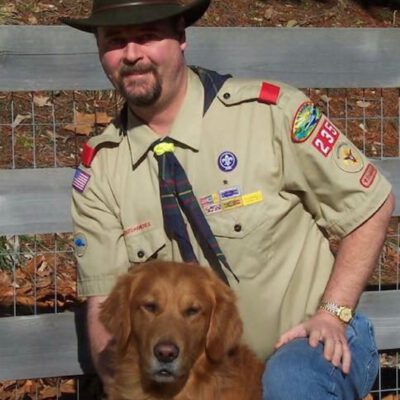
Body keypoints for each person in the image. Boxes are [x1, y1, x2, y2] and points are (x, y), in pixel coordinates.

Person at [62, 0, 395, 398]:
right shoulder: (102, 170)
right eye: (115, 41)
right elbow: (104, 306)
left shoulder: (267, 116)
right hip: (202, 377)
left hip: (312, 345)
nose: (131, 54)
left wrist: (333, 314)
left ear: (181, 37)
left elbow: (371, 202)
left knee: (289, 382)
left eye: (147, 36)